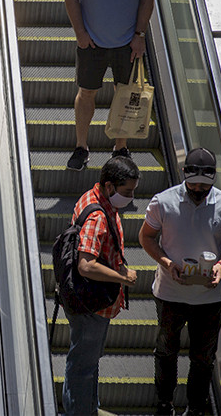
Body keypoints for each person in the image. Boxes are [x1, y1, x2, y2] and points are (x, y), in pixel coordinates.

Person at [138, 148, 221, 416]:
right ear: (185, 176)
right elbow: (146, 238)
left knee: (203, 359)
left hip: (209, 296)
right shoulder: (163, 202)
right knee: (166, 351)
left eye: (205, 186)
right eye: (194, 184)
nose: (199, 190)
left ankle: (195, 407)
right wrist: (167, 263)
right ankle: (164, 402)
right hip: (170, 292)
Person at [63, 0, 156, 171]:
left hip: (127, 42)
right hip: (91, 41)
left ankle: (120, 147)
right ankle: (81, 146)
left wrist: (140, 35)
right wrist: (80, 33)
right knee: (86, 92)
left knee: (125, 95)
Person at [62, 156, 139, 415]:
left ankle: (88, 408)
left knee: (88, 361)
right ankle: (79, 411)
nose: (130, 196)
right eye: (126, 191)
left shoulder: (91, 197)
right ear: (109, 186)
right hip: (92, 303)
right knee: (83, 365)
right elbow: (86, 265)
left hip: (85, 297)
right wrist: (122, 277)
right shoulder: (98, 216)